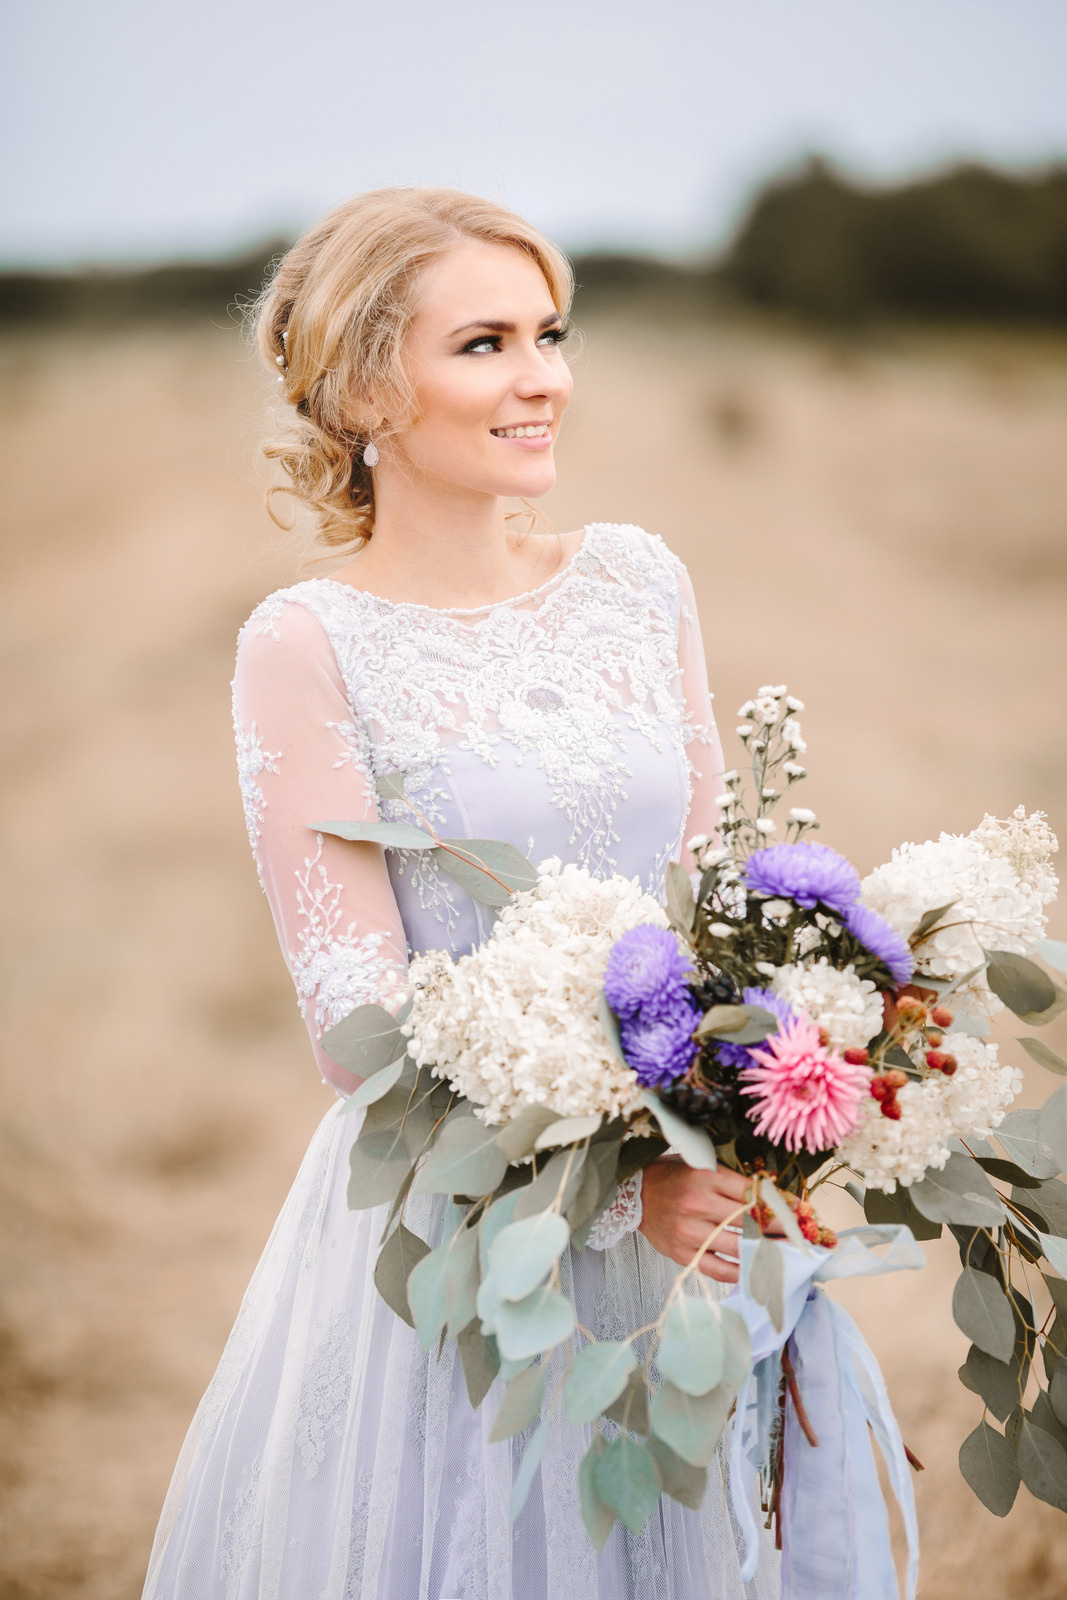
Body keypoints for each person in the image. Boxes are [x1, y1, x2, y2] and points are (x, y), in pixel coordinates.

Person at [141, 187, 780, 1600]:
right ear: (367, 386)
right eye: (484, 343)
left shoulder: (638, 581)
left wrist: (762, 1119)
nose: (544, 376)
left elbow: (720, 893)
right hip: (473, 1215)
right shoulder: (307, 643)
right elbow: (356, 1023)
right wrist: (630, 1180)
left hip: (705, 1208)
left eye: (548, 332)